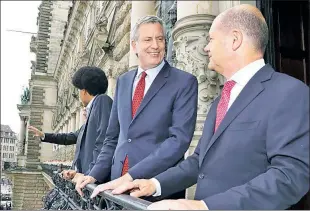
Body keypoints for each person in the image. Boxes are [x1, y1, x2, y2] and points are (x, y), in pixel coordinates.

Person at [110, 4, 310, 210]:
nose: (206, 47)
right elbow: (198, 162)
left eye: (211, 39)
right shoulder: (221, 100)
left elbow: (290, 176)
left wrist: (203, 206)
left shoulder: (289, 92)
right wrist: (154, 184)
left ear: (235, 40)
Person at [75, 15, 198, 201]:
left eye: (160, 39)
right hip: (116, 187)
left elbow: (178, 141)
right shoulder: (123, 81)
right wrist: (94, 174)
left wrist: (130, 176)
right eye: (148, 39)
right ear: (134, 46)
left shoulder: (184, 82)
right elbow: (112, 138)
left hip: (155, 189)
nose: (155, 45)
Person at [28, 66, 113, 180]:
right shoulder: (94, 107)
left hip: (91, 180)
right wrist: (44, 135)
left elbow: (103, 142)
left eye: (79, 90)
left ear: (84, 90)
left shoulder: (102, 100)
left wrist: (90, 175)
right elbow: (71, 137)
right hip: (85, 179)